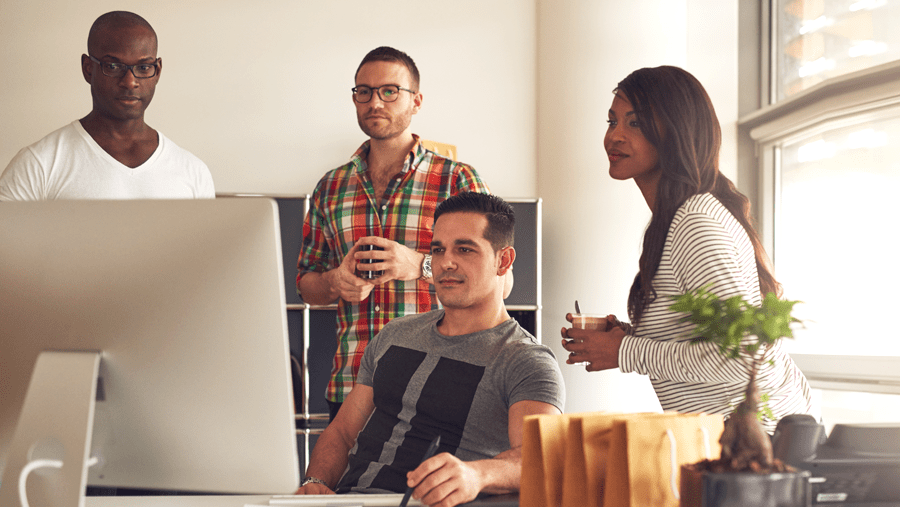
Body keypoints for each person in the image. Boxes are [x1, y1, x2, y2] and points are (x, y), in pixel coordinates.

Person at [561, 66, 812, 432]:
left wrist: (624, 352)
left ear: (675, 133)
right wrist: (625, 337)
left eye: (635, 123)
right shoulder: (674, 219)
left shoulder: (697, 222)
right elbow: (704, 340)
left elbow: (741, 357)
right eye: (612, 121)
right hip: (733, 441)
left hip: (759, 445)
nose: (614, 136)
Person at [297, 192, 564, 507]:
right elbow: (342, 431)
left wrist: (476, 475)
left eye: (465, 249)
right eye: (438, 250)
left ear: (502, 261)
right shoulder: (394, 335)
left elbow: (540, 458)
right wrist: (315, 485)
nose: (446, 263)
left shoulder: (527, 361)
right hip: (349, 501)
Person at [297, 47, 494, 420]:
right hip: (351, 385)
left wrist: (420, 265)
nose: (375, 102)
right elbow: (306, 285)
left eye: (390, 91)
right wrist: (336, 281)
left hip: (438, 383)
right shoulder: (330, 187)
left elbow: (501, 281)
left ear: (416, 101)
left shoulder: (457, 180)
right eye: (364, 91)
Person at [0, 11, 214, 201]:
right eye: (113, 66)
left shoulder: (193, 171)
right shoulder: (38, 164)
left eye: (143, 67)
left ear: (157, 71)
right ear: (87, 68)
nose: (130, 81)